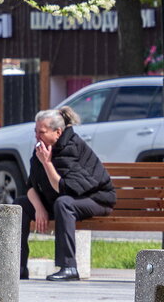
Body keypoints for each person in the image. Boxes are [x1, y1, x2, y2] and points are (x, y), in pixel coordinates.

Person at [17, 107, 116, 282]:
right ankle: (18, 267)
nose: (37, 136)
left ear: (58, 132)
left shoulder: (72, 148)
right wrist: (39, 208)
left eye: (41, 132)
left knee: (64, 203)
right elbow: (30, 185)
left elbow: (65, 189)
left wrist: (47, 163)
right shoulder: (42, 148)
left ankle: (69, 267)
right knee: (20, 205)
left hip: (95, 199)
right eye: (35, 131)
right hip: (60, 200)